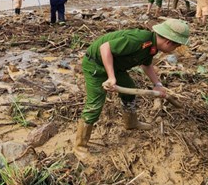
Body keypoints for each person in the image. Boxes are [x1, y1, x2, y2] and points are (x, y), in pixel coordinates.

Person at [73, 19, 190, 160]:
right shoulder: (139, 40)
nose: (174, 50)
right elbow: (105, 48)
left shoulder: (152, 46)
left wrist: (157, 84)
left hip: (116, 67)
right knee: (94, 105)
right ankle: (80, 147)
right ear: (169, 42)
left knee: (129, 89)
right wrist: (111, 77)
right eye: (176, 47)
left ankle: (131, 122)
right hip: (96, 66)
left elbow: (146, 65)